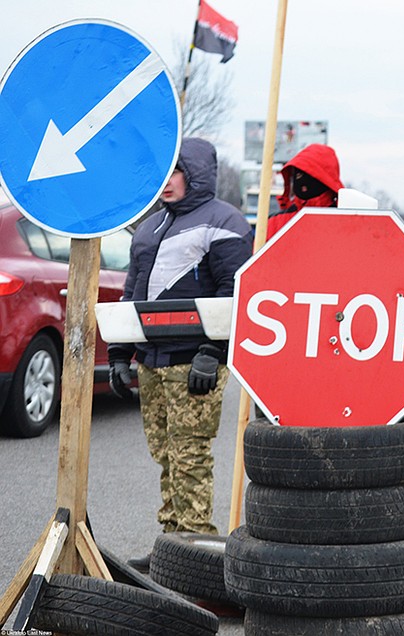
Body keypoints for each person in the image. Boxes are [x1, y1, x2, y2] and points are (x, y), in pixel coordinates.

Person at [108, 137, 253, 572]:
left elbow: (235, 290)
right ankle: (169, 546)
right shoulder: (150, 226)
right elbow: (132, 291)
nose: (167, 182)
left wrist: (214, 351)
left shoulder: (225, 222)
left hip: (195, 362)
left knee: (190, 457)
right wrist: (120, 352)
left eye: (176, 172)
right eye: (164, 172)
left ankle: (195, 556)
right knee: (166, 456)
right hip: (152, 363)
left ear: (196, 173)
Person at [266, 143, 343, 240]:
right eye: (297, 175)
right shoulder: (275, 223)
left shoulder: (347, 222)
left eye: (309, 175)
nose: (302, 182)